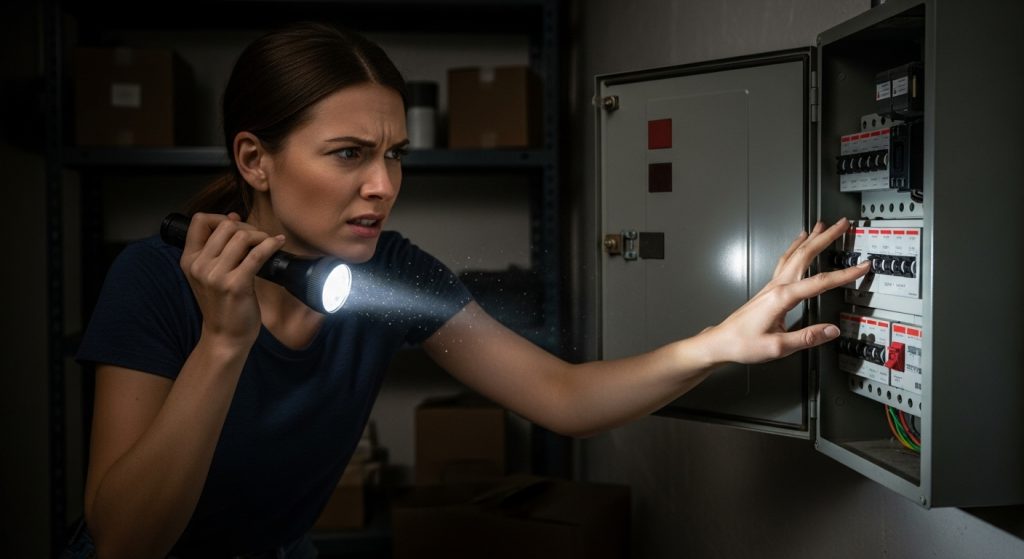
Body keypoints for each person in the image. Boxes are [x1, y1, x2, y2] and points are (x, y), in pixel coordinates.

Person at [71, 21, 870, 559]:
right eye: (348, 154)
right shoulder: (152, 281)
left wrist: (722, 342)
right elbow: (124, 539)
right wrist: (222, 343)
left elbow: (562, 396)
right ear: (254, 161)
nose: (382, 185)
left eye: (394, 154)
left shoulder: (390, 272)